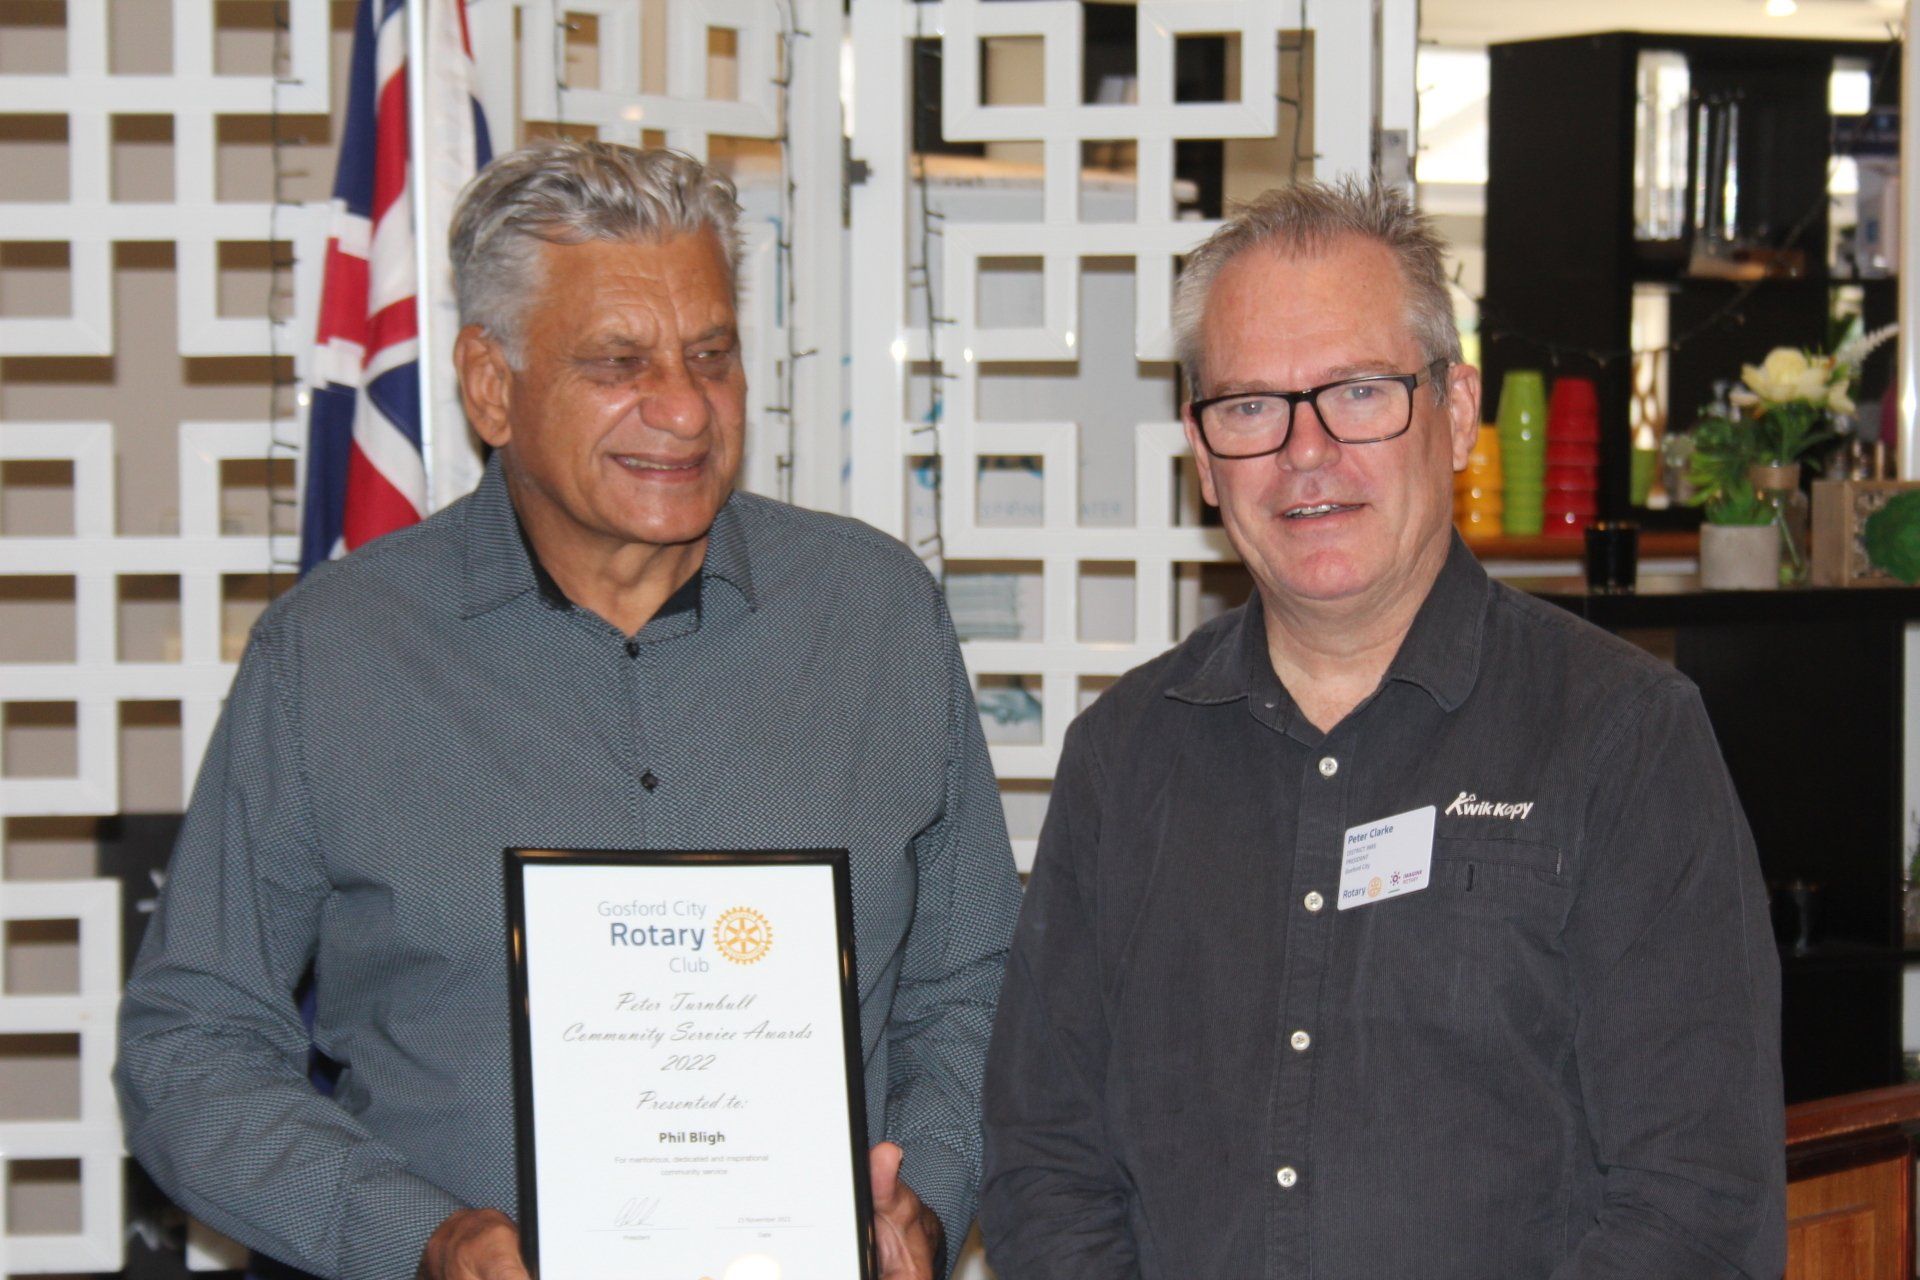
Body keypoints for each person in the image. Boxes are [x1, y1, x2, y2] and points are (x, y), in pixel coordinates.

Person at [116, 140, 1022, 1280]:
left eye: (711, 353)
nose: (684, 410)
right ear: (492, 384)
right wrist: (415, 1234)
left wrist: (927, 1194)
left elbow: (974, 978)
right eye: (618, 361)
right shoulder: (335, 657)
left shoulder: (879, 618)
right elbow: (191, 1044)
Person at [979, 179, 1784, 1278]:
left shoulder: (1623, 736)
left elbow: (1696, 1197)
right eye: (1254, 405)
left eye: (1359, 392)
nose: (1306, 452)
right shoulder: (1124, 756)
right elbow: (1046, 1158)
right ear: (1204, 454)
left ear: (1454, 411)